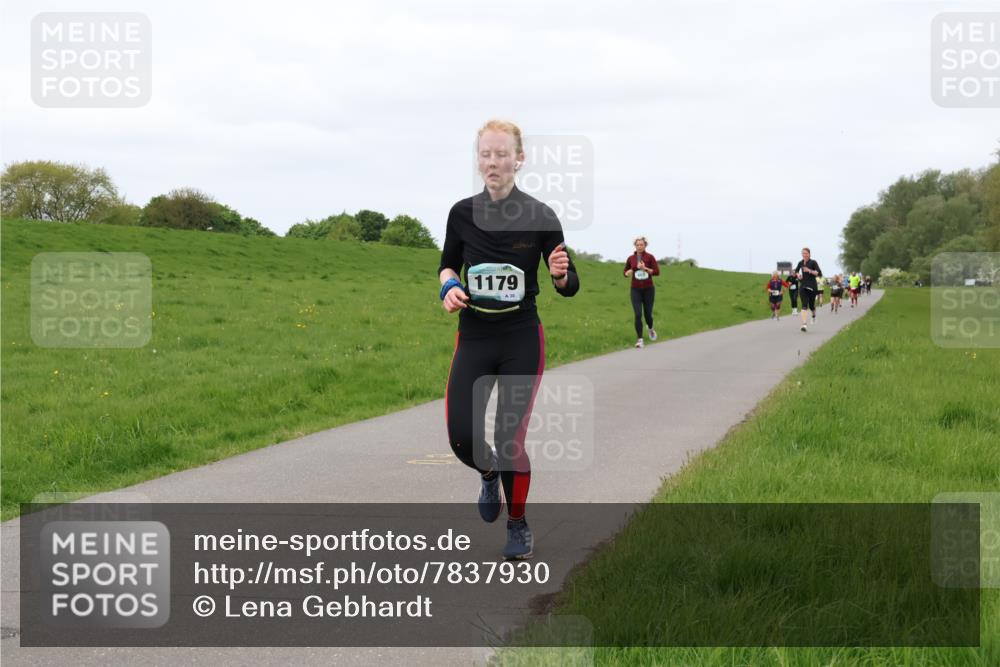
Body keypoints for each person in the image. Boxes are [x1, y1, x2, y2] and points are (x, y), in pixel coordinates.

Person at [439, 120, 580, 560]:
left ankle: (517, 523)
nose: (493, 162)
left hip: (521, 337)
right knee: (463, 438)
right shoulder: (461, 213)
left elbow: (570, 282)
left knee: (508, 438)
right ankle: (486, 475)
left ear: (519, 159)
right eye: (486, 154)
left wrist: (560, 276)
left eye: (502, 154)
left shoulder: (541, 215)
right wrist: (447, 287)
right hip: (476, 337)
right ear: (477, 159)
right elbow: (446, 266)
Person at [623, 237, 660, 348]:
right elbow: (625, 272)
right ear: (635, 245)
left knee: (648, 314)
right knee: (638, 314)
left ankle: (651, 328)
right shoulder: (631, 258)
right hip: (635, 290)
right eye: (637, 245)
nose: (639, 246)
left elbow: (657, 272)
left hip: (648, 289)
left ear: (645, 246)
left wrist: (645, 269)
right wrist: (629, 272)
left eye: (641, 245)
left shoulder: (650, 257)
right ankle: (640, 339)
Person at [793, 247, 822, 332]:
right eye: (803, 253)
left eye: (806, 253)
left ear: (809, 254)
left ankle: (813, 315)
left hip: (812, 286)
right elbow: (796, 271)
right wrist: (798, 275)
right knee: (804, 305)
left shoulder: (813, 262)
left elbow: (818, 273)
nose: (804, 255)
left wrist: (809, 270)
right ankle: (804, 324)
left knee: (812, 306)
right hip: (803, 286)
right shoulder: (800, 262)